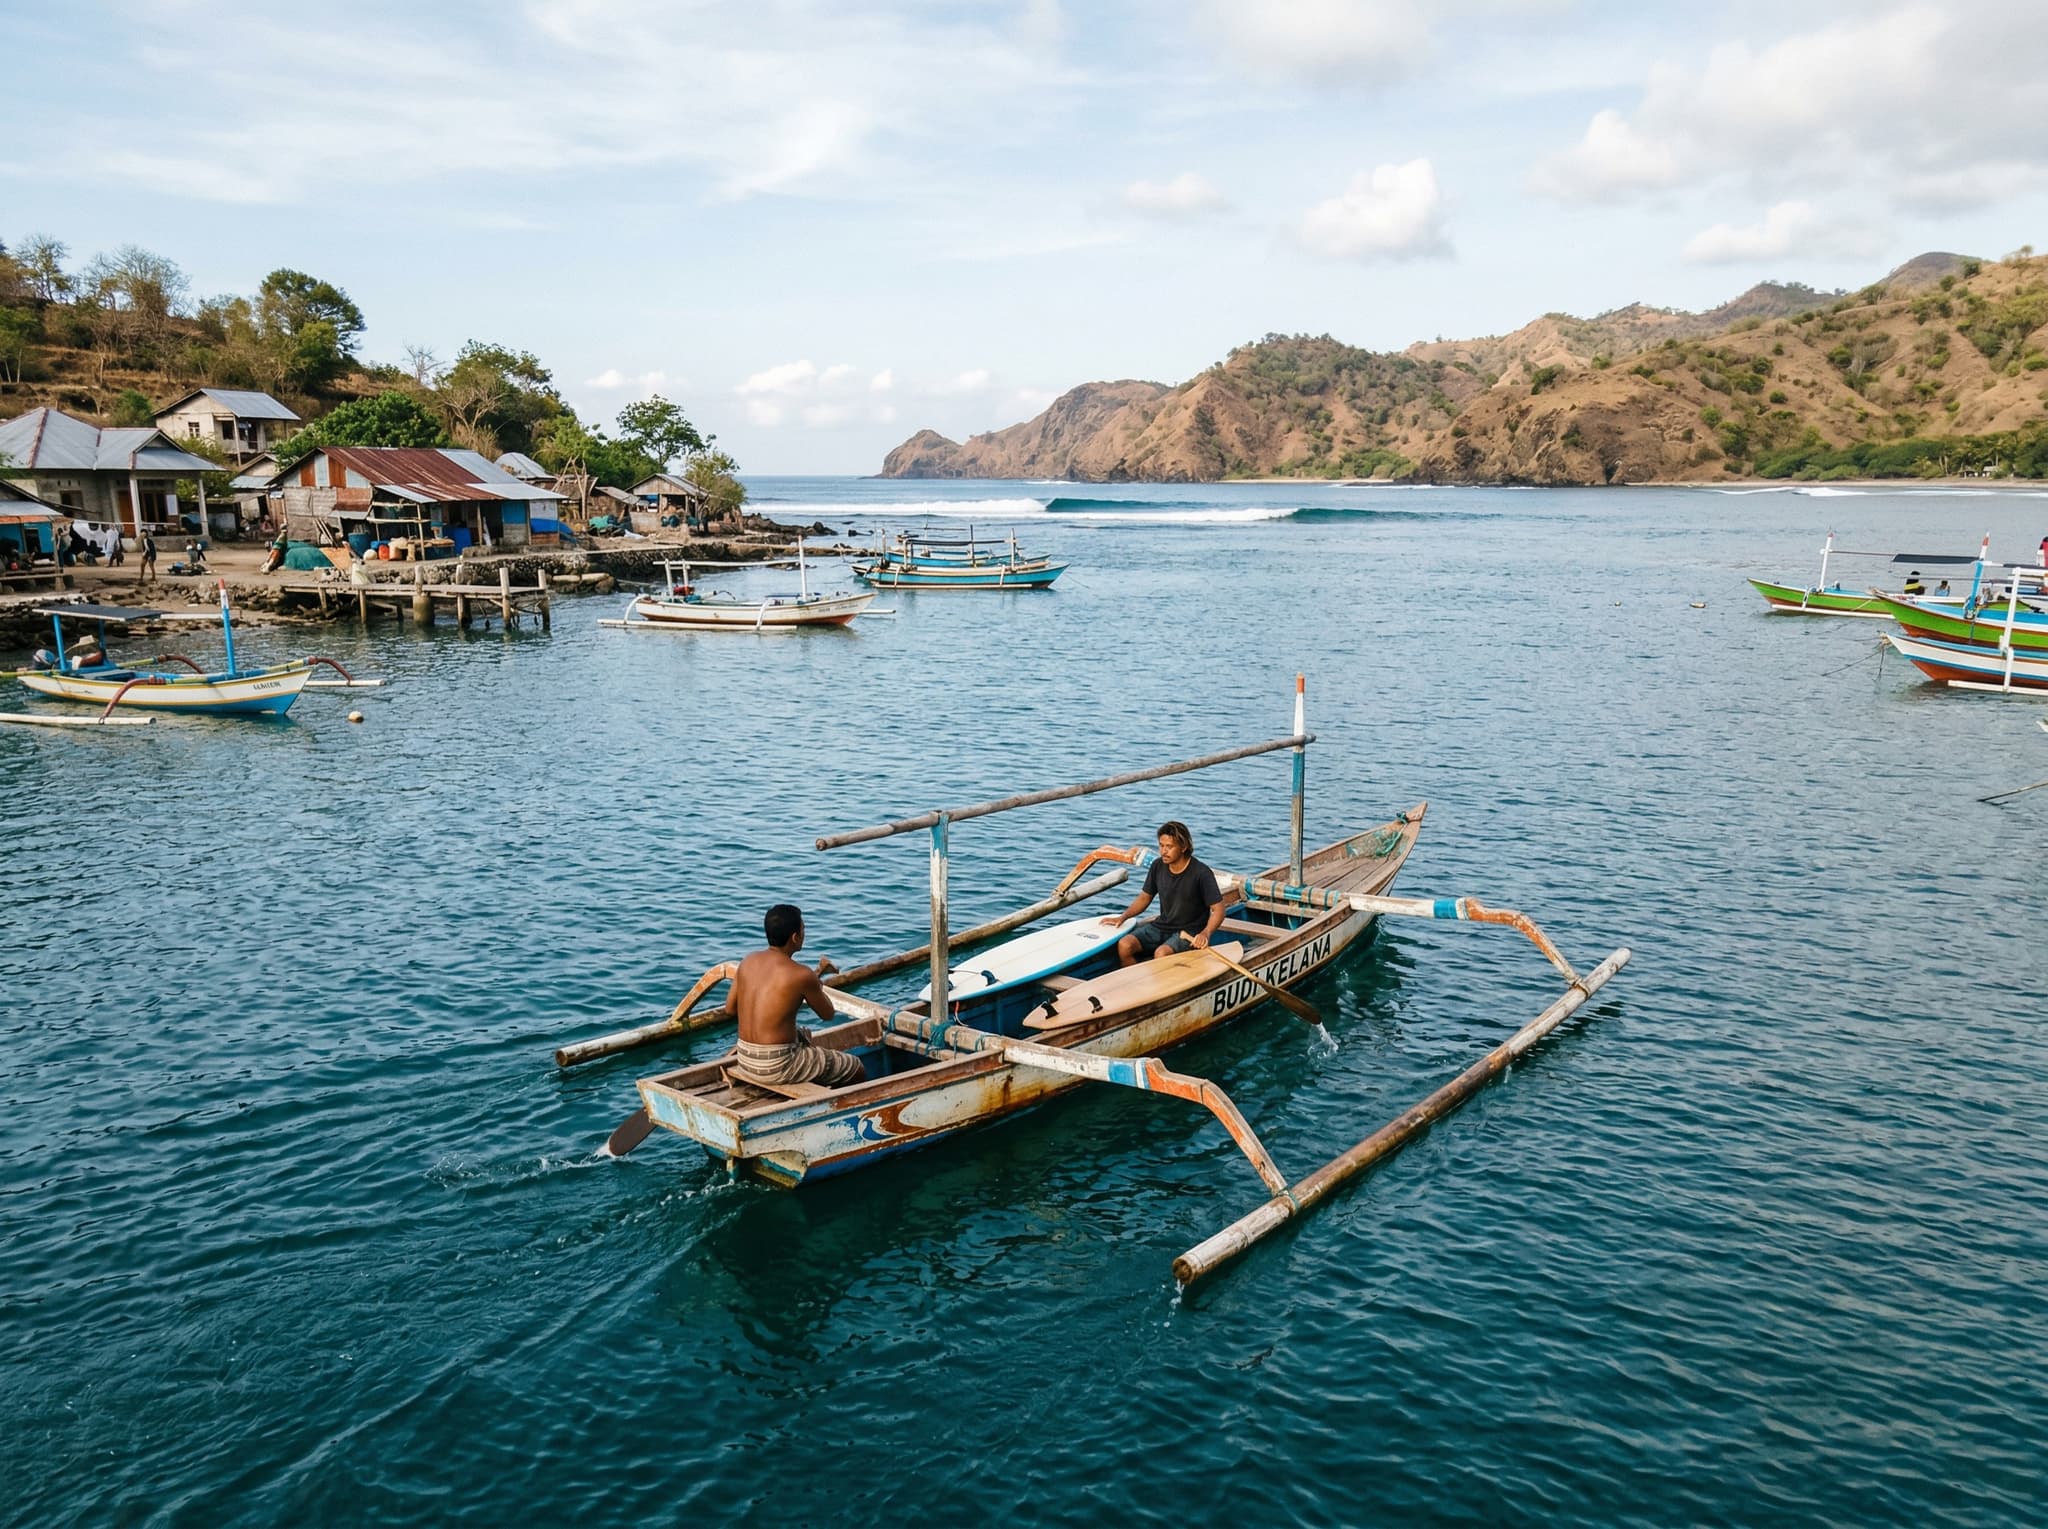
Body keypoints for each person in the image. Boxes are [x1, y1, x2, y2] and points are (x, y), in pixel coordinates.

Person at [724, 904, 866, 1089]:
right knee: (855, 1067)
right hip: (777, 1065)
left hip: (744, 1057)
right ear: (795, 937)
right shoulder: (801, 974)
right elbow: (827, 1014)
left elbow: (729, 1009)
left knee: (802, 1034)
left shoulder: (747, 961)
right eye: (803, 929)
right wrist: (816, 987)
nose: (804, 934)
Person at [1105, 820, 1226, 966]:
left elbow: (1218, 910)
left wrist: (1205, 933)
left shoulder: (1201, 873)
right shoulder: (1158, 866)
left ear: (1183, 847)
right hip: (1162, 926)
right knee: (1125, 945)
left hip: (1189, 932)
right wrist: (1122, 917)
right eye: (1161, 846)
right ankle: (1137, 983)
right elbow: (1145, 898)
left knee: (1161, 953)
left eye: (1169, 847)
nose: (1163, 851)